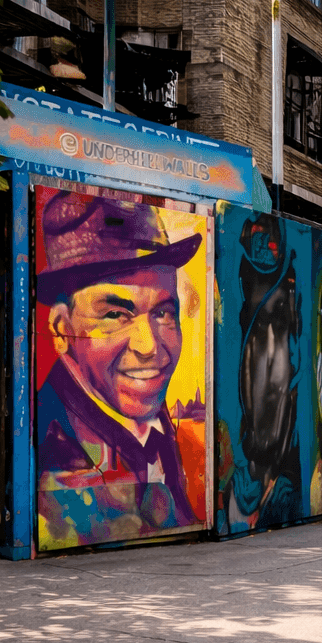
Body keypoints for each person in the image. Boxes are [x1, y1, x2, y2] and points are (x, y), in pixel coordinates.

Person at [34, 191, 206, 548]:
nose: (148, 345)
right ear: (61, 330)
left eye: (163, 313)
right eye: (115, 315)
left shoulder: (155, 426)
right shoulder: (54, 454)